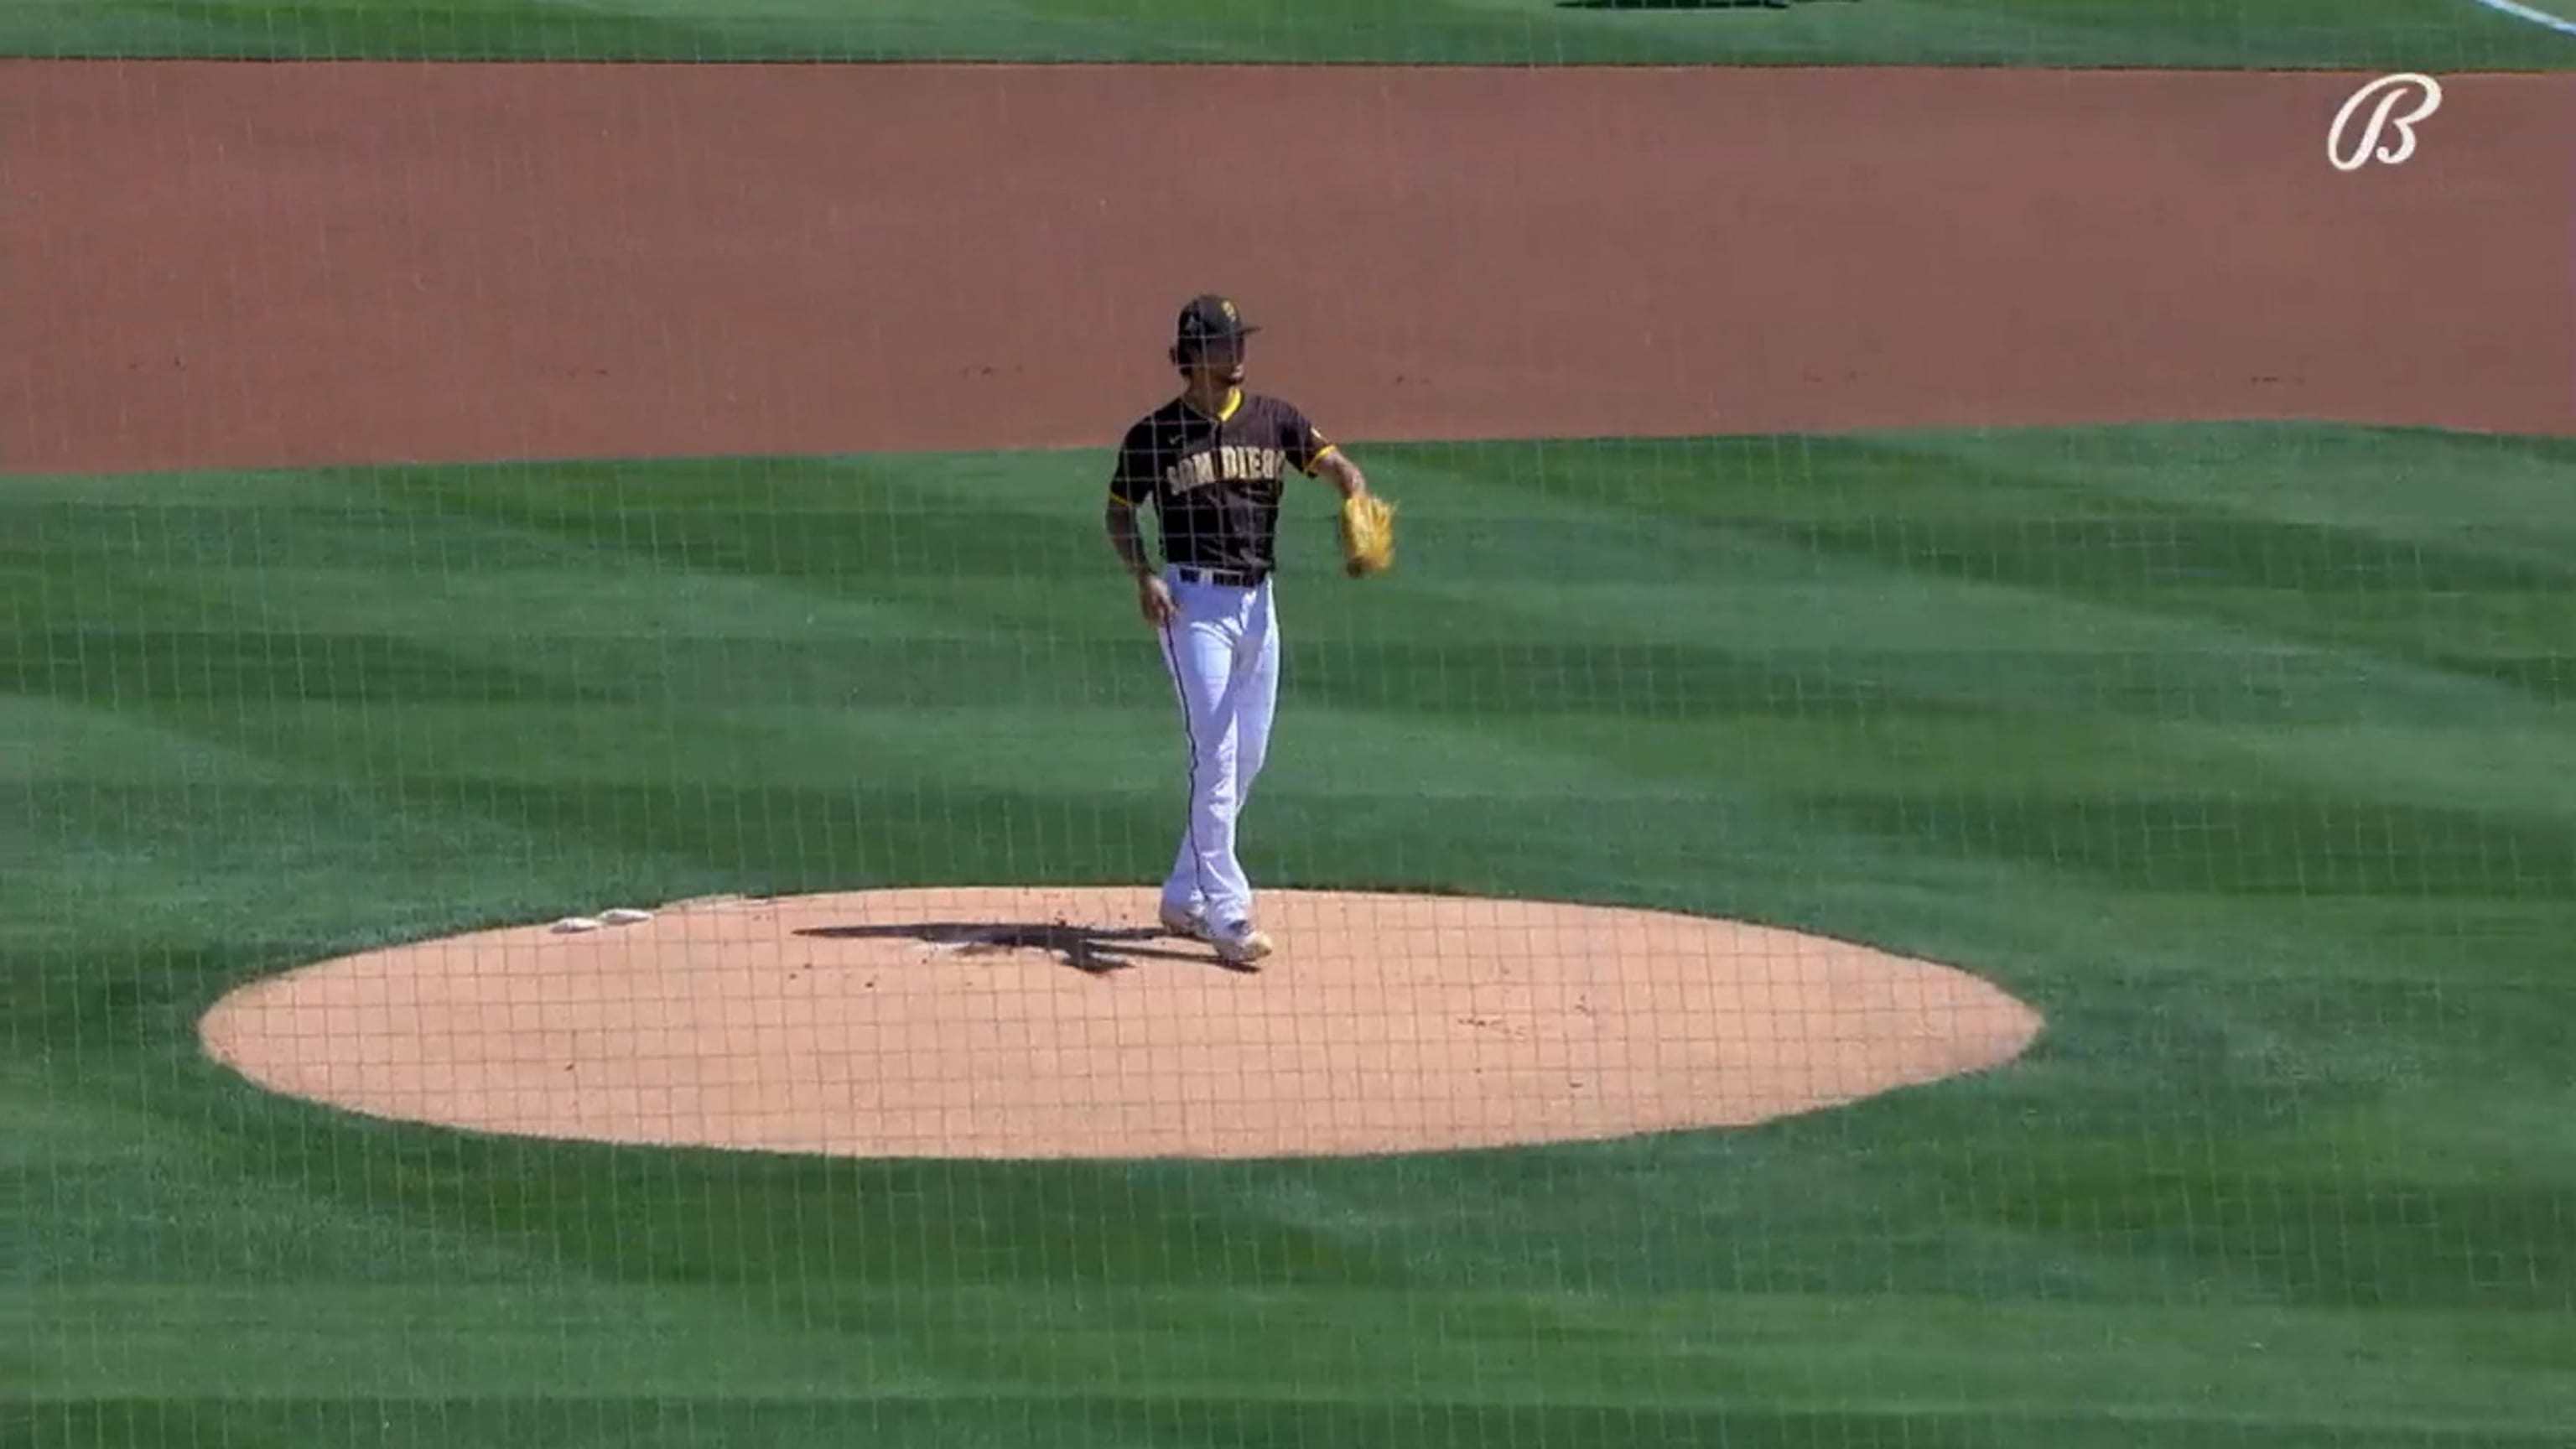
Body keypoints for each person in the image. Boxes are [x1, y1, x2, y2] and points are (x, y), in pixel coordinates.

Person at [1102, 294, 1373, 969]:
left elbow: (1335, 462)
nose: (1238, 354)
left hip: (1260, 606)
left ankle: (1182, 891)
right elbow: (1117, 514)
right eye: (1225, 344)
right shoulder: (1155, 436)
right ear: (1192, 359)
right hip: (1192, 608)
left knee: (1247, 756)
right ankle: (1229, 913)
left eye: (1239, 341)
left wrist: (1353, 491)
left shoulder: (1274, 420)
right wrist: (1145, 576)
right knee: (1216, 758)